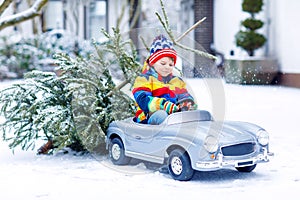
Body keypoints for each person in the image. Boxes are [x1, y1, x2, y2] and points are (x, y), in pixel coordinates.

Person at [132, 35, 196, 125]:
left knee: (194, 115)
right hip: (148, 118)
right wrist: (163, 105)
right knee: (162, 115)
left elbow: (184, 95)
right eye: (163, 63)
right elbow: (143, 99)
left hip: (172, 119)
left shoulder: (177, 81)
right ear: (153, 63)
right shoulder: (144, 79)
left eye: (170, 65)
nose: (167, 67)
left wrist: (186, 103)